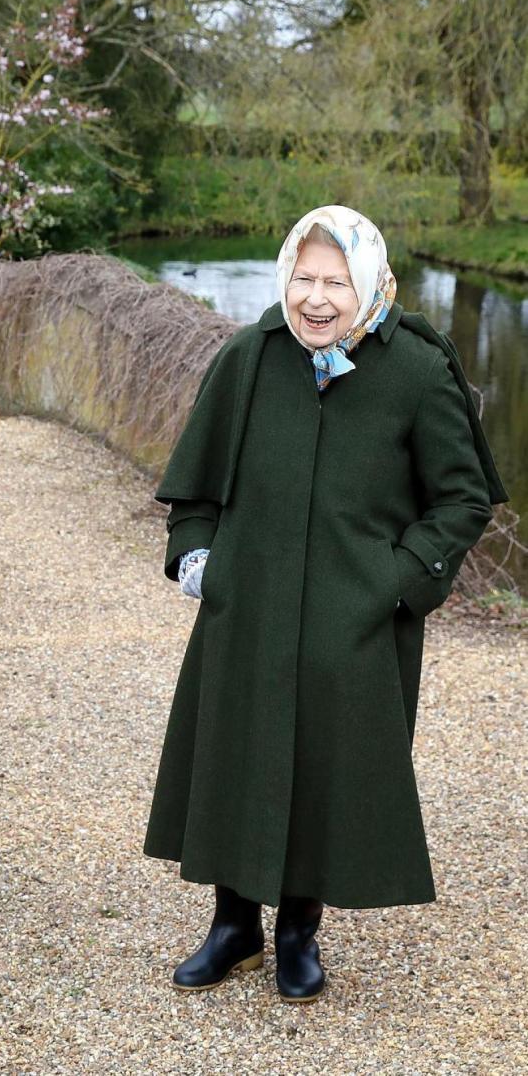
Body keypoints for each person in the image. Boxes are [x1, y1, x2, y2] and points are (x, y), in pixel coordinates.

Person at [143, 205, 506, 1003]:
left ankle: (298, 933)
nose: (315, 298)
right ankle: (232, 927)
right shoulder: (248, 357)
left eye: (334, 282)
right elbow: (192, 490)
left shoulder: (416, 369)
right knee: (236, 757)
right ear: (284, 277)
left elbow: (461, 500)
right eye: (302, 279)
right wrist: (203, 564)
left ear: (370, 282)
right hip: (247, 614)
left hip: (355, 624)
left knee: (324, 770)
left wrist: (395, 583)